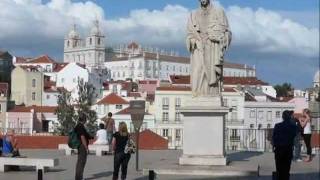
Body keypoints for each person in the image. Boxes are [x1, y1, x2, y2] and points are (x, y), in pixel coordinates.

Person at [186, 0, 232, 97]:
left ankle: (212, 94)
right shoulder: (193, 14)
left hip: (213, 49)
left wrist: (219, 38)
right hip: (198, 49)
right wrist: (194, 41)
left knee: (211, 74)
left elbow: (227, 33)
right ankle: (197, 95)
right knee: (197, 71)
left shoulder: (219, 12)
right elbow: (189, 35)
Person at [272, 110, 297, 180]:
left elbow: (274, 137)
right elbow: (294, 135)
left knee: (279, 169)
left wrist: (274, 146)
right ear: (290, 117)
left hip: (279, 150)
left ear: (282, 117)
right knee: (286, 169)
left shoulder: (277, 126)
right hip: (288, 149)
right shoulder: (293, 127)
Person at [74, 114, 93, 180]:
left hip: (80, 145)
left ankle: (79, 177)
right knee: (81, 162)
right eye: (86, 119)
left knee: (80, 162)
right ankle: (79, 178)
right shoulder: (80, 126)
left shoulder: (78, 126)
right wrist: (86, 148)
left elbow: (85, 135)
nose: (86, 121)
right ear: (84, 120)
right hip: (82, 146)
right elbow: (82, 137)